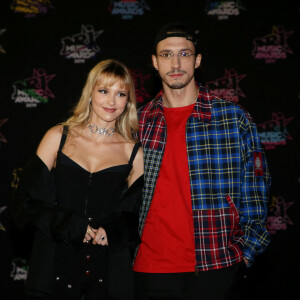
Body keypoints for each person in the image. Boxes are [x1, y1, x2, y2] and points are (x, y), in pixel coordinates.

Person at [133, 22, 271, 299]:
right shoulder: (138, 122)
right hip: (150, 270)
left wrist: (245, 254)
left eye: (184, 54)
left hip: (217, 267)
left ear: (197, 61)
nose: (175, 63)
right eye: (166, 54)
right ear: (154, 62)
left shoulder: (234, 119)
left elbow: (256, 194)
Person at [11, 59, 144, 300]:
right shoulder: (58, 136)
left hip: (108, 274)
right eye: (104, 91)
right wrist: (66, 224)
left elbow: (139, 215)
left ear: (128, 101)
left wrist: (113, 231)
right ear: (91, 92)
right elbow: (23, 203)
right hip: (54, 267)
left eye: (120, 94)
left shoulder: (133, 152)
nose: (111, 101)